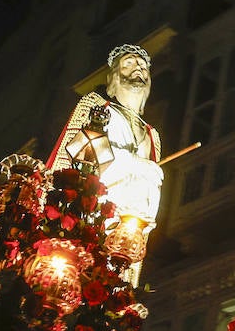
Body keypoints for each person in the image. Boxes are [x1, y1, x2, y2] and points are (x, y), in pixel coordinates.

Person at [50, 44, 164, 286]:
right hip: (93, 215)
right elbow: (81, 156)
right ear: (114, 74)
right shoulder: (97, 107)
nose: (138, 70)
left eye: (143, 67)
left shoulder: (151, 134)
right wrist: (136, 164)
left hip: (126, 230)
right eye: (130, 64)